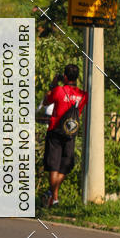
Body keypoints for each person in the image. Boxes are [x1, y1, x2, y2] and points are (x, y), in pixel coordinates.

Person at [42, 64, 88, 207]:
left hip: (55, 131)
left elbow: (45, 101)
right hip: (70, 132)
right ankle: (53, 196)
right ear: (77, 77)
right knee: (66, 165)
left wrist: (53, 85)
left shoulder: (58, 90)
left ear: (65, 77)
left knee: (54, 166)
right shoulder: (83, 95)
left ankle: (52, 195)